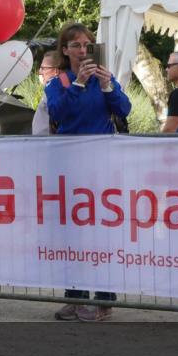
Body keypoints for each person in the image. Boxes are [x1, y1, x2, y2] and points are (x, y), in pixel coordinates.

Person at [46, 22, 131, 322]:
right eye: (76, 46)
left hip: (102, 168)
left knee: (102, 233)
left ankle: (105, 301)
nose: (83, 51)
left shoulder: (104, 79)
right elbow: (57, 113)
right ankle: (76, 297)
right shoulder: (59, 83)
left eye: (87, 45)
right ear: (65, 51)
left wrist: (108, 87)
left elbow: (124, 109)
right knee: (73, 234)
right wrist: (79, 84)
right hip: (71, 168)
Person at [31, 52, 61, 135]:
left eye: (43, 68)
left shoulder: (54, 95)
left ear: (56, 71)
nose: (40, 72)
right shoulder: (50, 92)